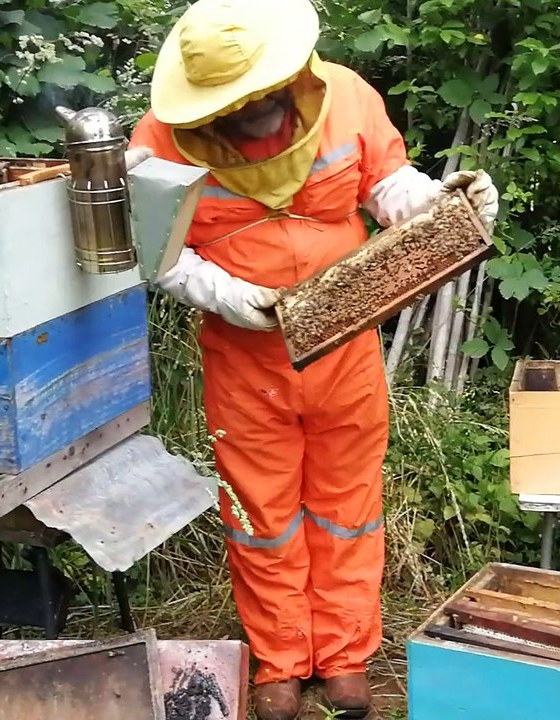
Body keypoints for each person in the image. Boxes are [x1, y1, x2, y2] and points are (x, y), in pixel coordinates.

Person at [125, 0, 498, 717]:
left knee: (347, 509)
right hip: (244, 359)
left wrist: (444, 202)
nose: (252, 113)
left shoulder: (348, 96)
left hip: (346, 348)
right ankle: (282, 662)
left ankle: (347, 655)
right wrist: (230, 296)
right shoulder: (159, 141)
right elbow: (162, 255)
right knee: (263, 515)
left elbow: (388, 187)